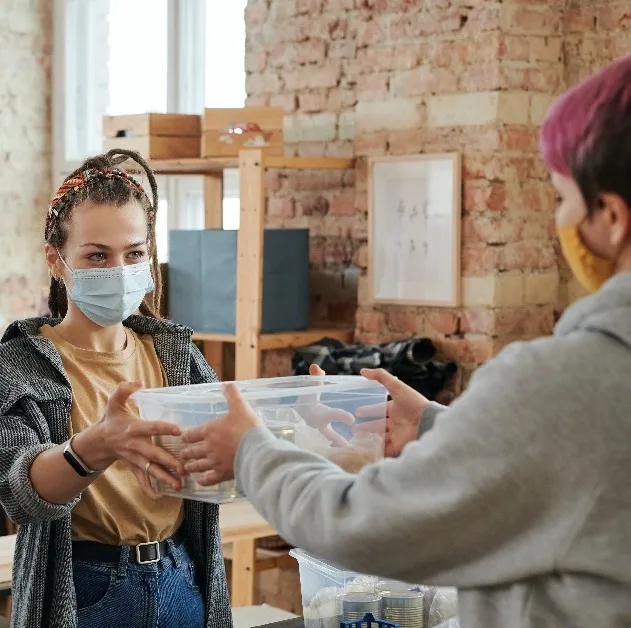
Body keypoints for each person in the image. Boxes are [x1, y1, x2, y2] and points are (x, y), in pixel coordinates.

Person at [179, 55, 631, 627]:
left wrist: (252, 451)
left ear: (612, 217)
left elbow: (361, 526)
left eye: (563, 200)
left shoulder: (565, 383)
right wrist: (441, 432)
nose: (558, 222)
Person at [0, 150, 231, 628]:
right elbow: (18, 493)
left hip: (180, 578)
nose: (118, 270)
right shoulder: (19, 364)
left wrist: (298, 425)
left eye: (134, 254)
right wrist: (94, 447)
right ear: (57, 261)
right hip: (84, 591)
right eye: (97, 255)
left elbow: (226, 451)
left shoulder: (177, 355)